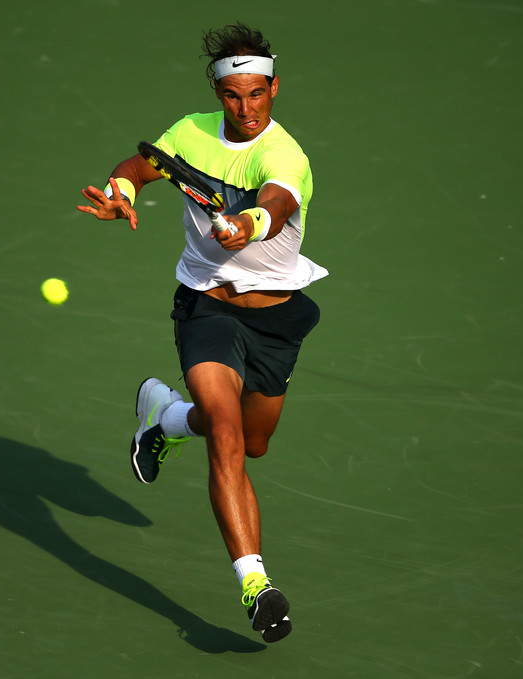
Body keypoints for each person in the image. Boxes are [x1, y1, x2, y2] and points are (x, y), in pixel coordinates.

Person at [77, 22, 327, 644]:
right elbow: (143, 163)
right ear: (219, 93)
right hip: (206, 306)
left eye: (257, 95)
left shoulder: (286, 154)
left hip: (276, 317)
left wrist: (250, 225)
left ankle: (163, 417)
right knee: (225, 431)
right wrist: (121, 189)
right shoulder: (189, 134)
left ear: (274, 89)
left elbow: (279, 202)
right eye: (232, 96)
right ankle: (256, 585)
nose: (245, 109)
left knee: (254, 441)